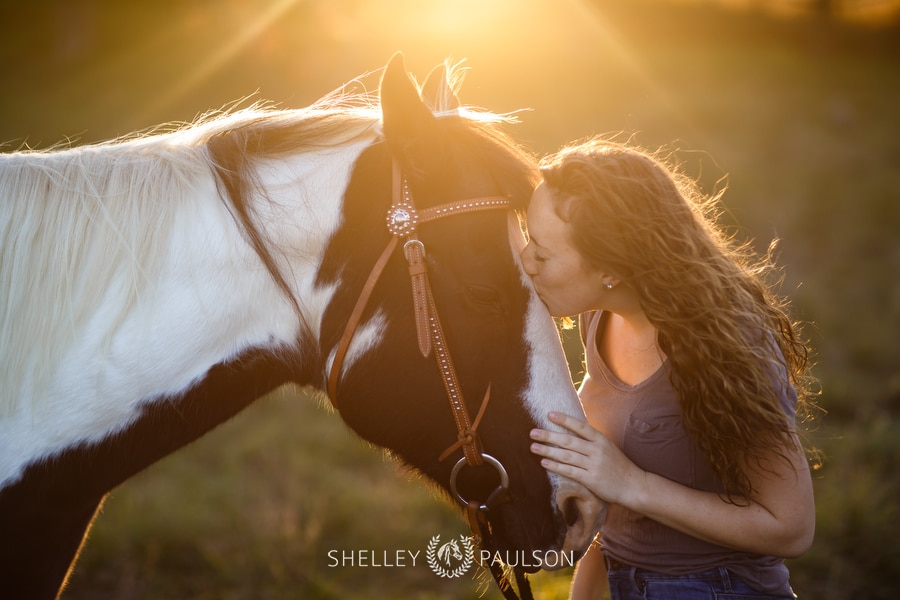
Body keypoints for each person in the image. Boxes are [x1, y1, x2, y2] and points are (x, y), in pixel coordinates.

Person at [523, 138, 817, 599]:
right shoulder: (599, 318)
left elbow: (791, 528)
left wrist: (632, 483)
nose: (526, 264)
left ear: (610, 268)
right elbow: (615, 487)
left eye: (541, 254)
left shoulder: (726, 347)